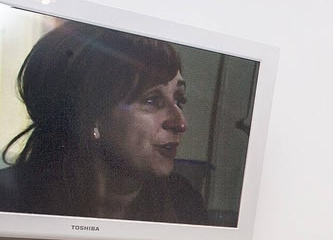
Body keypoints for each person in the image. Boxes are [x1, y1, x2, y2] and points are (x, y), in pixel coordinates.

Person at [0, 20, 207, 224]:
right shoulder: (8, 200)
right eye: (152, 101)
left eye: (179, 100)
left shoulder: (183, 201)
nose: (180, 124)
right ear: (90, 115)